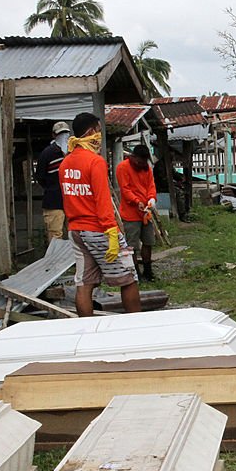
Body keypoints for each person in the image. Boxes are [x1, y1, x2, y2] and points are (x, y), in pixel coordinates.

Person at [59, 112, 140, 317]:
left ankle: (85, 328)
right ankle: (138, 326)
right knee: (129, 278)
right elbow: (103, 201)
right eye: (98, 130)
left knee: (84, 283)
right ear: (91, 132)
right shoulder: (95, 162)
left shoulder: (65, 163)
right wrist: (112, 232)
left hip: (76, 230)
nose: (100, 136)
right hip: (100, 229)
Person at [116, 144, 158, 281]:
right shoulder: (123, 167)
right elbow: (125, 189)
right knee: (132, 245)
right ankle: (135, 273)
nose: (141, 164)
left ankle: (148, 271)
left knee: (148, 242)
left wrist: (151, 198)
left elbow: (151, 186)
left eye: (144, 162)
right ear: (133, 157)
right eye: (140, 161)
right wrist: (136, 201)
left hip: (146, 212)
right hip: (130, 213)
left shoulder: (147, 169)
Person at [35, 121, 70, 241]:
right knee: (55, 235)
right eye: (60, 133)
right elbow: (40, 177)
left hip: (72, 201)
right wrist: (52, 188)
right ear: (54, 135)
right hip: (54, 201)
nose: (63, 136)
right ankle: (54, 259)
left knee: (76, 235)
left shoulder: (73, 152)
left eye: (65, 133)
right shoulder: (47, 154)